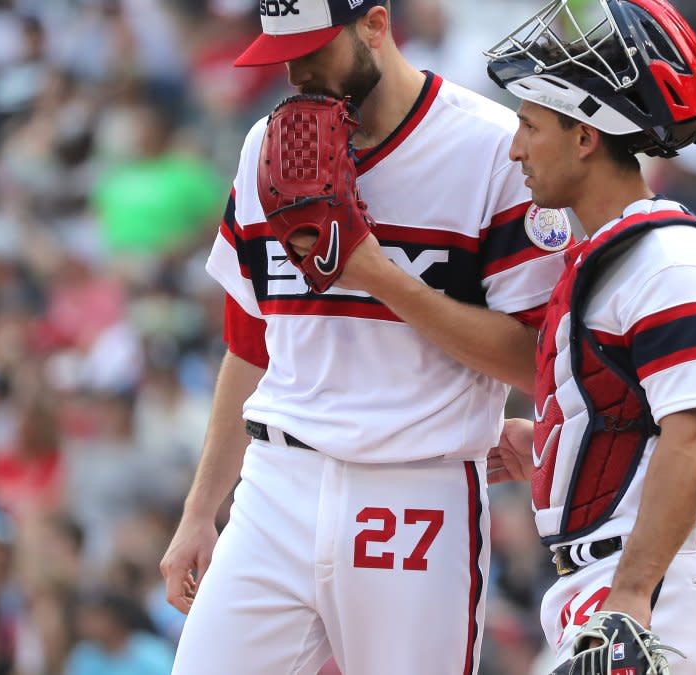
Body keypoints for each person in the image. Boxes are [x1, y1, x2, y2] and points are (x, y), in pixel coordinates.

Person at [159, 1, 570, 673]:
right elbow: (250, 341)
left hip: (413, 491)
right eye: (284, 54)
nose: (296, 73)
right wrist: (201, 509)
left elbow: (537, 360)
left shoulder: (493, 149)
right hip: (274, 483)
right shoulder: (268, 146)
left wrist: (377, 274)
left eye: (314, 51)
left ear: (375, 26)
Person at [483, 0, 696, 672]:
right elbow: (635, 422)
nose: (516, 146)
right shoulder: (616, 252)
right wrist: (550, 451)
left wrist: (630, 598)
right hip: (617, 581)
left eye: (530, 125)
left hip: (657, 586)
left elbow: (693, 435)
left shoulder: (669, 260)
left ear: (585, 137)